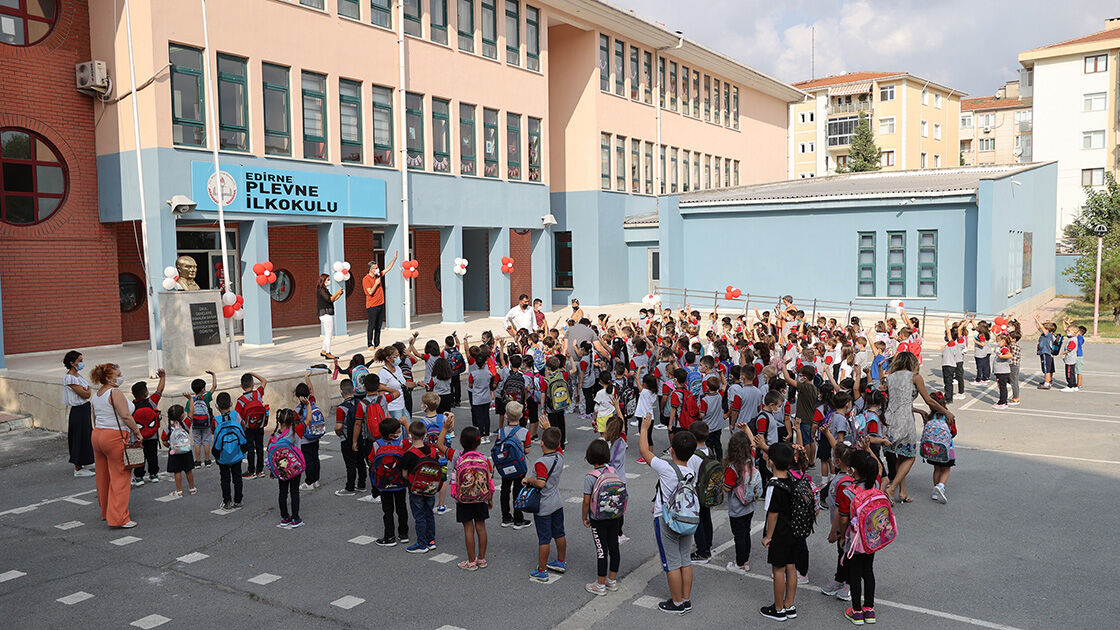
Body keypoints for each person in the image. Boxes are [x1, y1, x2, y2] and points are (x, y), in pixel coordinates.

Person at [638, 409, 699, 615]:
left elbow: (645, 452)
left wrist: (644, 429)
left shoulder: (666, 468)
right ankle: (687, 598)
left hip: (667, 519)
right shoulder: (691, 471)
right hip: (687, 518)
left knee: (671, 562)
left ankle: (676, 602)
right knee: (685, 559)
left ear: (672, 450)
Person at [880, 351, 952, 504]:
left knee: (900, 455)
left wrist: (917, 410)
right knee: (910, 456)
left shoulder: (890, 378)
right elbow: (929, 400)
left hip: (889, 419)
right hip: (905, 420)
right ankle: (892, 489)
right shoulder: (915, 377)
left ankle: (903, 492)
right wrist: (946, 411)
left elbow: (896, 401)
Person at [833, 450, 884, 625]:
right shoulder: (875, 484)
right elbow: (879, 468)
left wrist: (841, 536)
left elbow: (844, 517)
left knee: (854, 573)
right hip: (872, 537)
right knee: (868, 571)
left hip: (855, 540)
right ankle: (869, 610)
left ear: (853, 470)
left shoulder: (848, 491)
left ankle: (856, 612)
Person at [89, 363, 142, 528]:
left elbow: (94, 417)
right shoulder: (115, 392)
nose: (121, 376)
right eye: (118, 374)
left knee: (103, 475)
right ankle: (119, 517)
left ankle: (106, 511)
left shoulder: (98, 394)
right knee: (120, 477)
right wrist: (137, 432)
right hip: (114, 436)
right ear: (109, 377)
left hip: (98, 434)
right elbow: (126, 416)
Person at [759, 442, 804, 621]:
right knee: (791, 567)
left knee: (778, 569)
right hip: (794, 529)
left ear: (771, 462)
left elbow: (772, 513)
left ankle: (778, 609)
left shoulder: (774, 485)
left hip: (780, 532)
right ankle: (789, 604)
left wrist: (768, 536)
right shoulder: (793, 479)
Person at [401, 413, 453, 553]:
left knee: (419, 516)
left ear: (410, 435)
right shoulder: (432, 451)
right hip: (431, 488)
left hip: (416, 489)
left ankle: (421, 543)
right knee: (429, 513)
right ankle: (431, 540)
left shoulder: (408, 454)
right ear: (425, 435)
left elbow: (405, 474)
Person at [525, 421, 567, 581]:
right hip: (557, 502)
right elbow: (557, 445)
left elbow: (541, 483)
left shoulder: (541, 463)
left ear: (541, 443)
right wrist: (549, 428)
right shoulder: (559, 457)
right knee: (559, 533)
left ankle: (542, 570)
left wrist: (529, 479)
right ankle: (560, 562)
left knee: (544, 538)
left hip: (544, 505)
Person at [448, 425, 494, 570]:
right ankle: (481, 558)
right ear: (479, 442)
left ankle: (471, 562)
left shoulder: (458, 457)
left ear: (461, 442)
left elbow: (440, 445)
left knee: (468, 529)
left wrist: (445, 428)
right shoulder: (485, 459)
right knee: (481, 527)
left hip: (463, 499)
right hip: (481, 498)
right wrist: (489, 498)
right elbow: (489, 480)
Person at [582, 438, 623, 596]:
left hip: (597, 519)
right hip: (614, 516)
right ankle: (611, 581)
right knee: (614, 547)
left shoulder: (590, 477)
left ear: (590, 457)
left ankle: (599, 585)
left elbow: (586, 501)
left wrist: (584, 517)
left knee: (601, 550)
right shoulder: (613, 471)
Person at [723, 430, 763, 575]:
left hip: (737, 508)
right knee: (746, 533)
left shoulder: (732, 468)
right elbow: (754, 444)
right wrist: (747, 428)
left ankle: (740, 564)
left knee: (738, 536)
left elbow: (727, 488)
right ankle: (745, 561)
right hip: (750, 505)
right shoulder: (750, 459)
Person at [371, 416, 410, 546]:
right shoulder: (402, 444)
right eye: (398, 430)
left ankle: (389, 536)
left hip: (383, 484)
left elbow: (371, 462)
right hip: (399, 482)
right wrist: (406, 425)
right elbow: (413, 440)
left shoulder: (376, 445)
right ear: (392, 434)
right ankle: (403, 534)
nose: (400, 431)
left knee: (387, 510)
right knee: (402, 507)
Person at [494, 401, 532, 529]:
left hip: (505, 466)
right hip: (519, 466)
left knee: (505, 489)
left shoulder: (501, 432)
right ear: (521, 415)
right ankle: (518, 518)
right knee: (518, 490)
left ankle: (506, 517)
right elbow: (527, 450)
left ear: (506, 416)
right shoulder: (524, 432)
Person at [211, 393, 247, 511]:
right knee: (237, 478)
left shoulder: (215, 420)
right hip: (236, 453)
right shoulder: (236, 415)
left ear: (217, 406)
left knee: (225, 479)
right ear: (231, 404)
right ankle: (238, 500)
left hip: (222, 455)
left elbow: (214, 434)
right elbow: (243, 427)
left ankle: (227, 501)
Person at [130, 369, 166, 486]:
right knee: (152, 455)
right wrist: (162, 377)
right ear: (146, 393)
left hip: (137, 437)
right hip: (152, 435)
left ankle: (139, 477)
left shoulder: (131, 406)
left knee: (139, 456)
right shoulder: (151, 402)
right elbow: (159, 390)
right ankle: (154, 474)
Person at [63, 351, 95, 477]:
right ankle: (78, 468)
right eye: (79, 361)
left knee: (86, 435)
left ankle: (87, 461)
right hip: (78, 410)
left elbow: (87, 391)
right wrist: (87, 391)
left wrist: (87, 391)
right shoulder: (69, 378)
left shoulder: (78, 376)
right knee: (78, 437)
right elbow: (85, 393)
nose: (82, 363)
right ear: (72, 363)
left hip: (84, 408)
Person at [271, 409, 304, 528]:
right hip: (295, 467)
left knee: (282, 492)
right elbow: (308, 420)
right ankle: (295, 518)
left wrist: (272, 470)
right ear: (292, 421)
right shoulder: (297, 431)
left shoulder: (274, 436)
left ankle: (284, 517)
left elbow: (271, 455)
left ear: (279, 420)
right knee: (295, 491)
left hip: (281, 468)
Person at [334, 379, 366, 496]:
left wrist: (338, 433)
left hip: (347, 438)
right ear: (353, 389)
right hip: (361, 437)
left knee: (350, 464)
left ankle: (350, 487)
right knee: (361, 462)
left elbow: (339, 426)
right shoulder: (361, 403)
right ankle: (361, 484)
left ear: (341, 392)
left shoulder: (341, 408)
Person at [235, 372, 269, 479]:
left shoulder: (240, 401)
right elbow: (264, 381)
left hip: (248, 427)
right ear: (253, 384)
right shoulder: (258, 394)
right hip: (260, 425)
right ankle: (260, 470)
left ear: (241, 386)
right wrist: (253, 374)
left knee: (250, 448)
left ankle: (251, 470)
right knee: (259, 446)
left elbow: (238, 417)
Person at [295, 374, 326, 489]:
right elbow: (311, 389)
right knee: (315, 458)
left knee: (308, 460)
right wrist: (307, 377)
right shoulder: (312, 402)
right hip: (316, 435)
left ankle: (309, 482)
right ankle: (316, 479)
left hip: (305, 439)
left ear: (298, 396)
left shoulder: (297, 410)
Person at [363, 252, 398, 350]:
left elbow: (387, 269)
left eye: (377, 267)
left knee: (379, 326)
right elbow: (369, 292)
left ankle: (377, 343)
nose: (377, 269)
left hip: (380, 304)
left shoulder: (378, 275)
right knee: (372, 325)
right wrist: (376, 284)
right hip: (372, 305)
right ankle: (370, 344)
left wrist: (394, 259)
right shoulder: (366, 279)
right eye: (375, 268)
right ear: (371, 269)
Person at [161, 405, 196, 496]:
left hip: (174, 452)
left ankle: (179, 491)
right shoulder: (185, 424)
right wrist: (190, 400)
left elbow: (164, 441)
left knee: (177, 471)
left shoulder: (168, 428)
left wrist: (170, 446)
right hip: (186, 451)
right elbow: (191, 411)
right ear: (182, 416)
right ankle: (192, 488)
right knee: (188, 470)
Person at [183, 371, 217, 467]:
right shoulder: (205, 397)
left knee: (197, 442)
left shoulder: (190, 401)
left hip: (195, 424)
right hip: (206, 423)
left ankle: (197, 461)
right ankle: (207, 460)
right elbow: (214, 387)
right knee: (206, 441)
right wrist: (213, 375)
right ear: (203, 389)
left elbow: (188, 413)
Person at [376, 345, 412, 421]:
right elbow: (381, 395)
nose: (398, 358)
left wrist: (417, 383)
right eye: (395, 356)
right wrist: (387, 413)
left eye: (398, 355)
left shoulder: (398, 368)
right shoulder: (382, 374)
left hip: (402, 405)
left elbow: (404, 383)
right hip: (392, 408)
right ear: (388, 358)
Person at [317, 273, 344, 360]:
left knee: (327, 334)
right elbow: (330, 299)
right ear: (323, 280)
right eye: (328, 280)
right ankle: (328, 353)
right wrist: (337, 293)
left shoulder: (325, 289)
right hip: (326, 314)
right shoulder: (321, 289)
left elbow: (332, 300)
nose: (329, 281)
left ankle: (324, 350)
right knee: (329, 335)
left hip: (328, 313)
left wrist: (339, 294)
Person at [1034, 315, 1056, 389]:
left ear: (1048, 330)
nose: (1040, 329)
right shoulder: (1047, 335)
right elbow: (1039, 328)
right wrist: (1036, 321)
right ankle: (1049, 381)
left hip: (1045, 353)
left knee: (1046, 369)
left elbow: (1042, 328)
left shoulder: (1048, 335)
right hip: (1049, 354)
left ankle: (1046, 383)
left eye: (1043, 328)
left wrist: (1037, 320)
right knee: (1050, 368)